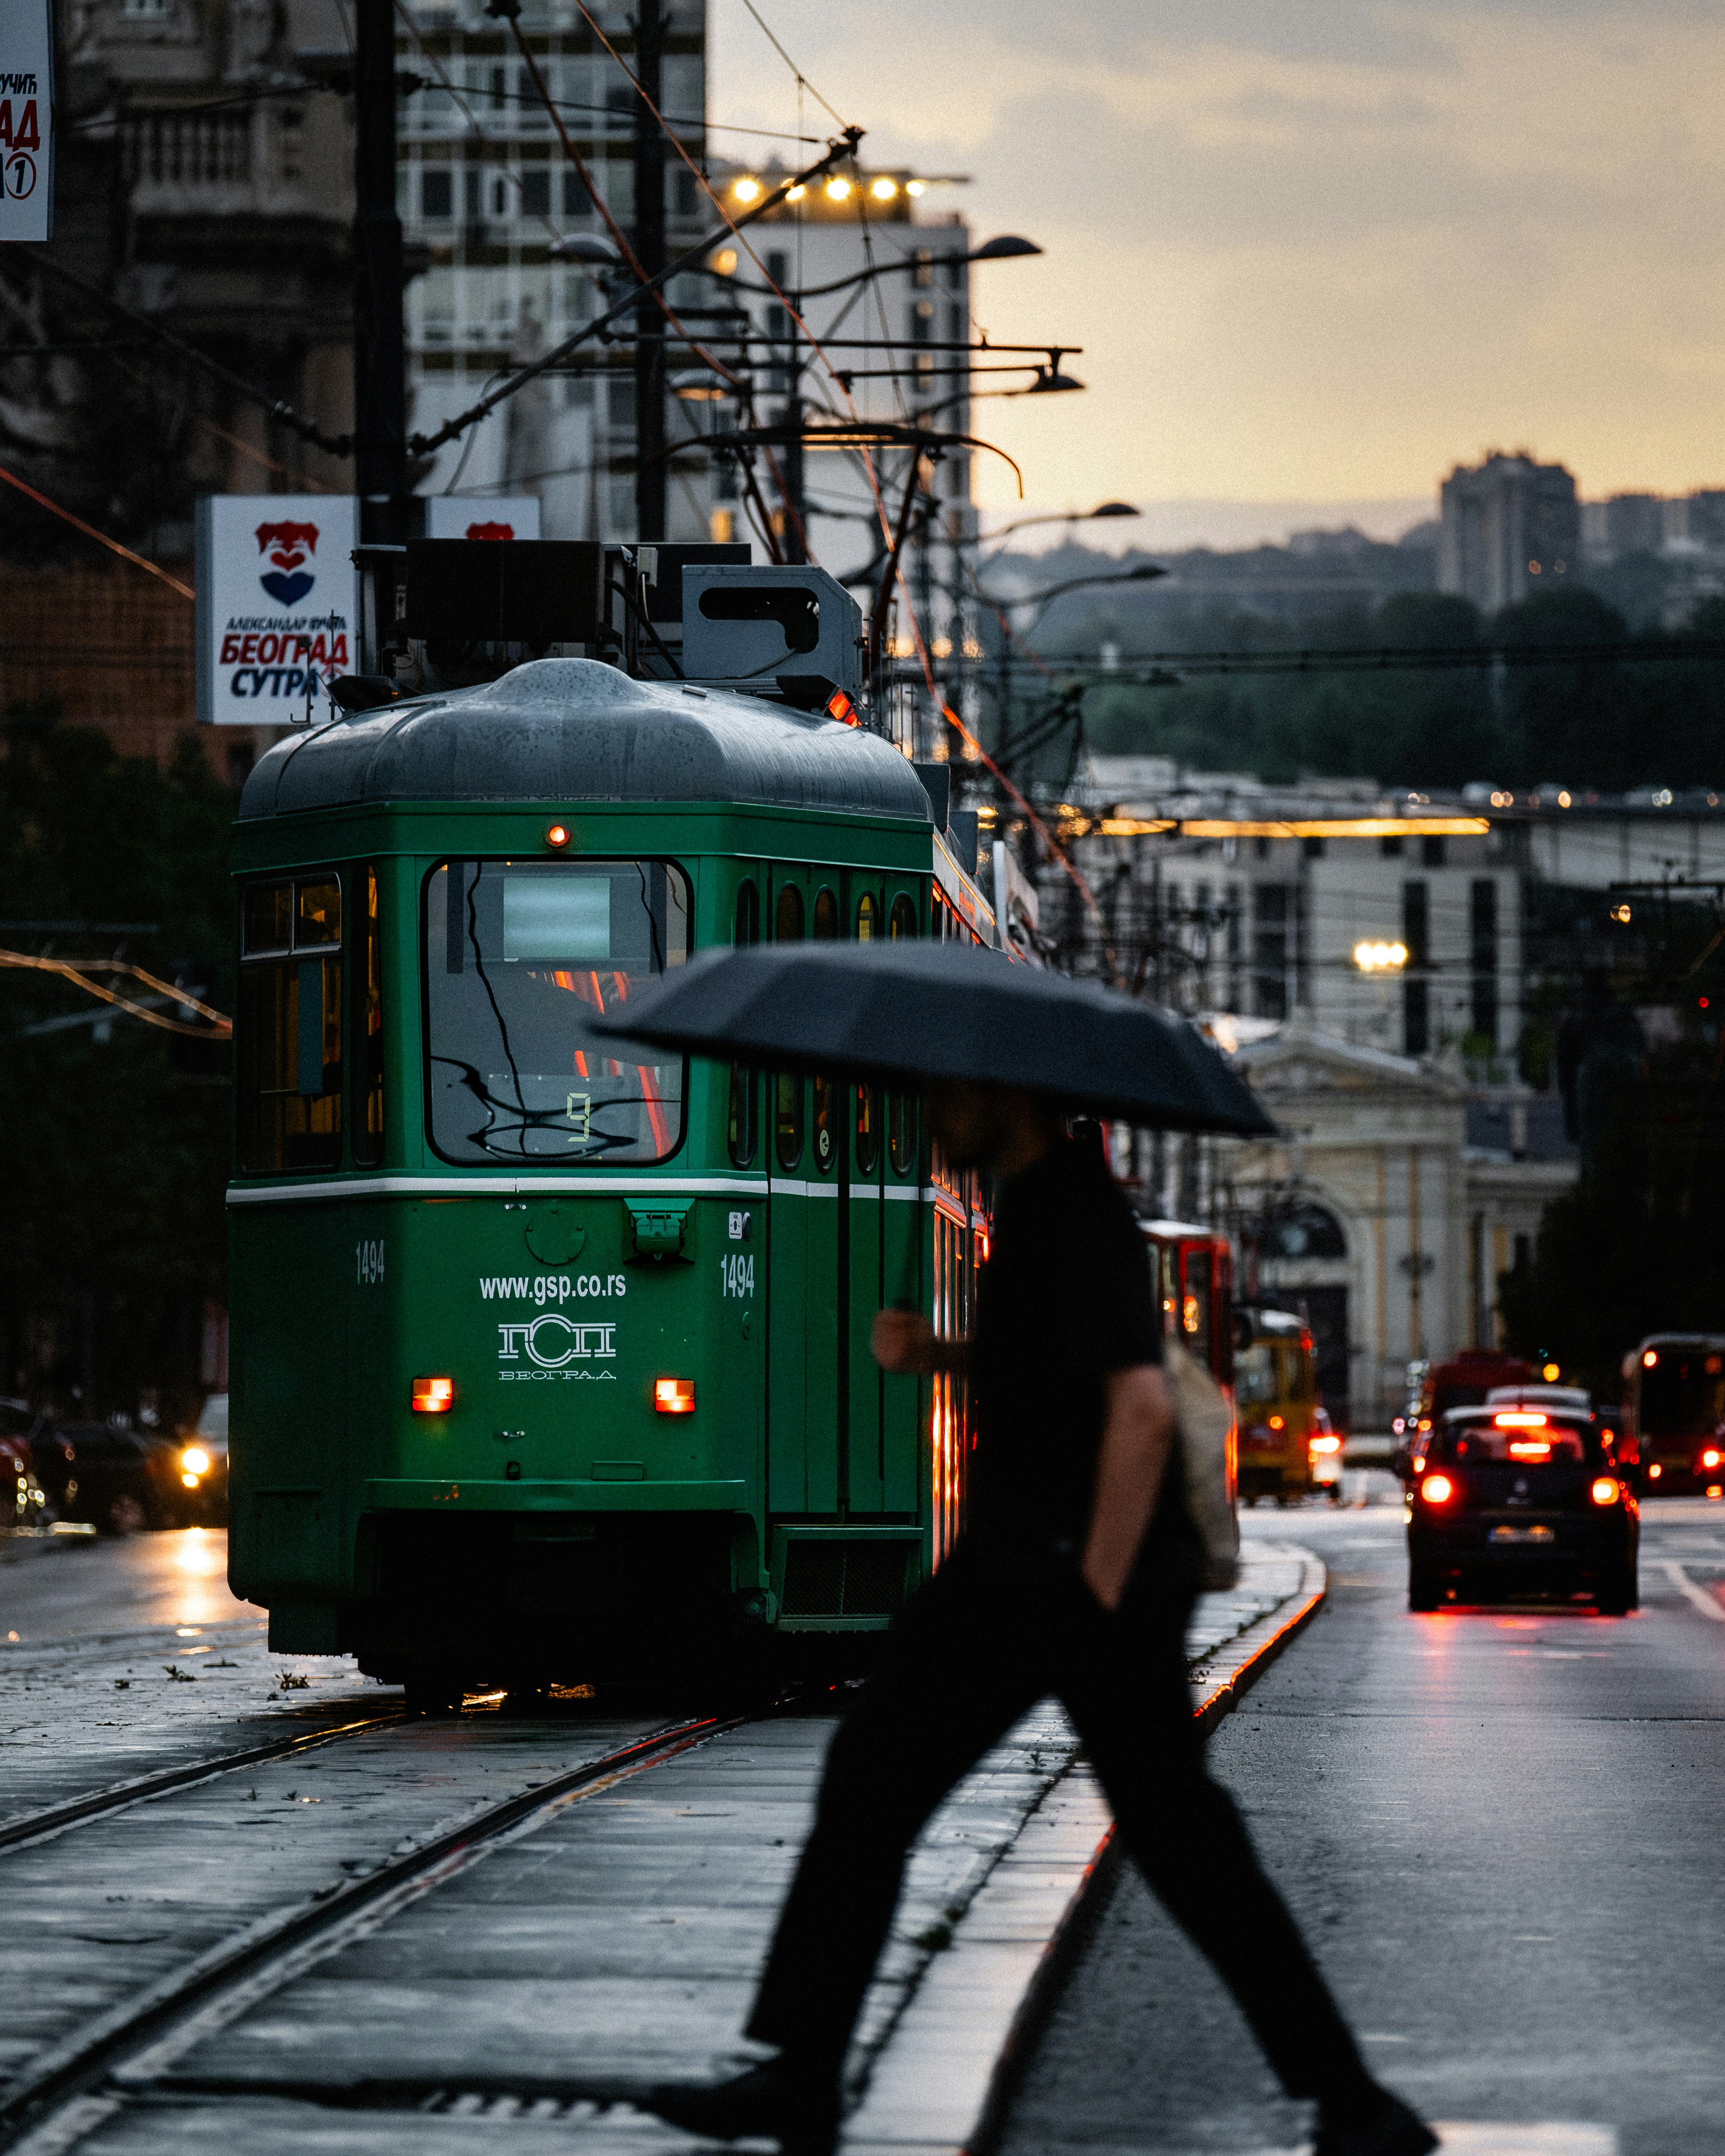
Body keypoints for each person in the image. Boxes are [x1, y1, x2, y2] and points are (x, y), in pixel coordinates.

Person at [648, 1080, 1435, 2156]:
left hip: (1067, 1577)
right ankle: (1350, 2099)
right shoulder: (1038, 1203)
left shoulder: (1071, 1209)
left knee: (954, 1794)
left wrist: (1092, 1596)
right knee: (1090, 1821)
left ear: (1004, 1099)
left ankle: (804, 2073)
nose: (928, 1114)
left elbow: (1142, 1405)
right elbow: (1058, 1365)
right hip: (1035, 1571)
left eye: (944, 1096)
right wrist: (937, 1356)